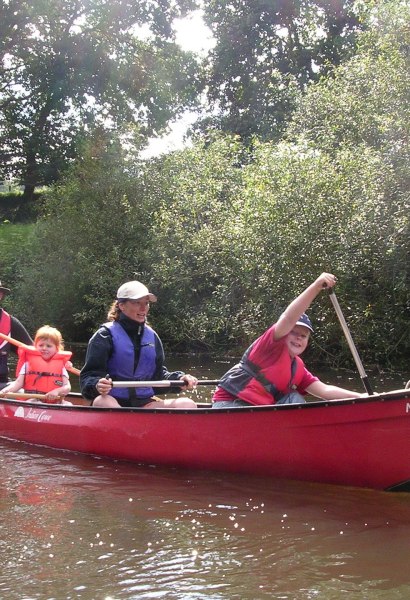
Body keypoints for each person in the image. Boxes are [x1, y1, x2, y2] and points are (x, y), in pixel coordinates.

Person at [212, 273, 364, 408]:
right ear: (284, 333)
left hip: (258, 413)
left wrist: (362, 397)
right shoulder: (269, 345)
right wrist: (316, 287)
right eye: (294, 332)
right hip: (230, 407)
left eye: (303, 336)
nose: (299, 338)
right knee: (291, 400)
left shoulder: (297, 368)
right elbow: (289, 317)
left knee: (294, 398)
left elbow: (324, 390)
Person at [80, 281, 198, 408]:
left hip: (144, 403)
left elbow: (158, 377)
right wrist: (97, 385)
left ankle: (137, 425)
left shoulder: (152, 337)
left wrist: (179, 379)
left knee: (187, 404)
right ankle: (125, 426)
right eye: (137, 303)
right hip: (112, 400)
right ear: (121, 306)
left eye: (146, 303)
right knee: (102, 402)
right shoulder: (104, 336)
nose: (143, 308)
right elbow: (88, 378)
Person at [0, 325, 72, 404]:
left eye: (49, 346)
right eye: (41, 345)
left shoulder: (61, 365)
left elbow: (67, 387)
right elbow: (18, 383)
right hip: (33, 400)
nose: (44, 348)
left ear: (57, 348)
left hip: (55, 401)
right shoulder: (27, 364)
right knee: (35, 402)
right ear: (35, 346)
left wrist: (57, 391)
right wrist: (5, 391)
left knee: (69, 404)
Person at [0, 280, 33, 390]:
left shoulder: (10, 323)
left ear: (0, 295)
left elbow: (33, 354)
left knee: (22, 391)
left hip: (1, 385)